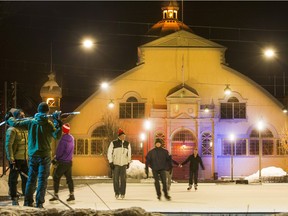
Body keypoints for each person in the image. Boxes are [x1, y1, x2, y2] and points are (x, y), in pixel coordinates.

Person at [6, 102, 62, 208]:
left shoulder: (31, 122)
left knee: (31, 179)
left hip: (32, 156)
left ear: (38, 110)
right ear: (47, 111)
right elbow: (57, 136)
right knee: (42, 180)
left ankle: (28, 202)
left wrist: (9, 118)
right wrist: (58, 123)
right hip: (45, 156)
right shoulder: (48, 124)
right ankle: (39, 203)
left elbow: (16, 123)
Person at [5, 108, 28, 206]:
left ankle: (26, 196)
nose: (23, 117)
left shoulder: (25, 129)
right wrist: (11, 159)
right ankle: (14, 197)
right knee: (13, 179)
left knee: (26, 179)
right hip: (15, 159)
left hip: (24, 158)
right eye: (21, 116)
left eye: (24, 115)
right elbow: (8, 145)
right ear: (16, 117)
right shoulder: (12, 129)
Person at [49, 123, 75, 203]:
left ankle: (56, 195)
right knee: (69, 179)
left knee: (56, 177)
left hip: (62, 162)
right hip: (69, 162)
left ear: (63, 131)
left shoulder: (63, 139)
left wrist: (55, 159)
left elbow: (60, 152)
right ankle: (72, 195)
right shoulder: (71, 138)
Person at [107, 128, 131, 199]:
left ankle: (123, 193)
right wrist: (110, 162)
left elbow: (129, 153)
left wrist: (128, 162)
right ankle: (117, 193)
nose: (124, 137)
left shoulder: (127, 144)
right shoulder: (113, 143)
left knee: (123, 179)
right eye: (123, 135)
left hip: (124, 164)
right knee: (116, 179)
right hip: (116, 163)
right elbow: (109, 152)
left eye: (124, 136)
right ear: (119, 136)